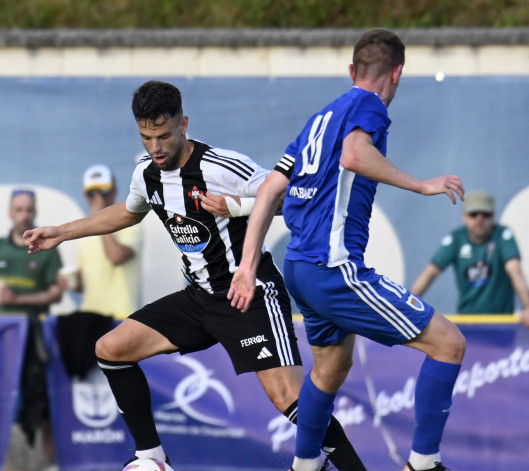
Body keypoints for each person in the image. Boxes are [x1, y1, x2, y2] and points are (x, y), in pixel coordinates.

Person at [24, 81, 365, 470]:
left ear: (184, 124)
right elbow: (129, 211)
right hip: (199, 297)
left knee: (290, 399)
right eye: (147, 137)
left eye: (164, 135)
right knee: (111, 349)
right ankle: (152, 459)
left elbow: (289, 198)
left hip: (248, 293)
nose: (156, 147)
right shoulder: (146, 174)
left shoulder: (221, 166)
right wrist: (62, 232)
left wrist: (237, 206)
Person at [229, 29, 466, 471]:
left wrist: (246, 266)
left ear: (351, 70)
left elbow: (268, 192)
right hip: (333, 268)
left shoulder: (317, 120)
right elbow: (355, 156)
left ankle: (304, 466)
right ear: (396, 74)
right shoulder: (368, 104)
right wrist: (421, 184)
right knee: (449, 344)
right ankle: (423, 464)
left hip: (299, 267)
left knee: (329, 370)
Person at [0, 189, 63, 471]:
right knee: (1, 397)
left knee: (39, 396)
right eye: (20, 209)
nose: (25, 215)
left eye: (29, 210)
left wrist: (19, 300)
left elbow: (55, 294)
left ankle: (47, 461)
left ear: (35, 213)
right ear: (11, 212)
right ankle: (4, 461)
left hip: (34, 336)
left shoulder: (47, 248)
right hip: (2, 338)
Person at [55, 164, 142, 380]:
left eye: (103, 192)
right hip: (90, 318)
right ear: (85, 196)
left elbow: (116, 257)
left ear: (114, 192)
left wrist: (100, 219)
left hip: (121, 315)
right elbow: (86, 281)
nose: (98, 198)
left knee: (121, 380)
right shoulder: (84, 232)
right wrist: (71, 283)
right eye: (92, 193)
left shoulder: (133, 224)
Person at [409, 190, 529, 329]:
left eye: (486, 214)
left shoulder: (502, 235)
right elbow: (430, 273)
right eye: (473, 214)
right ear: (464, 216)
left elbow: (515, 271)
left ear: (493, 216)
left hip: (502, 324)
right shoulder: (456, 239)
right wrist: (409, 307)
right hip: (468, 323)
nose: (480, 219)